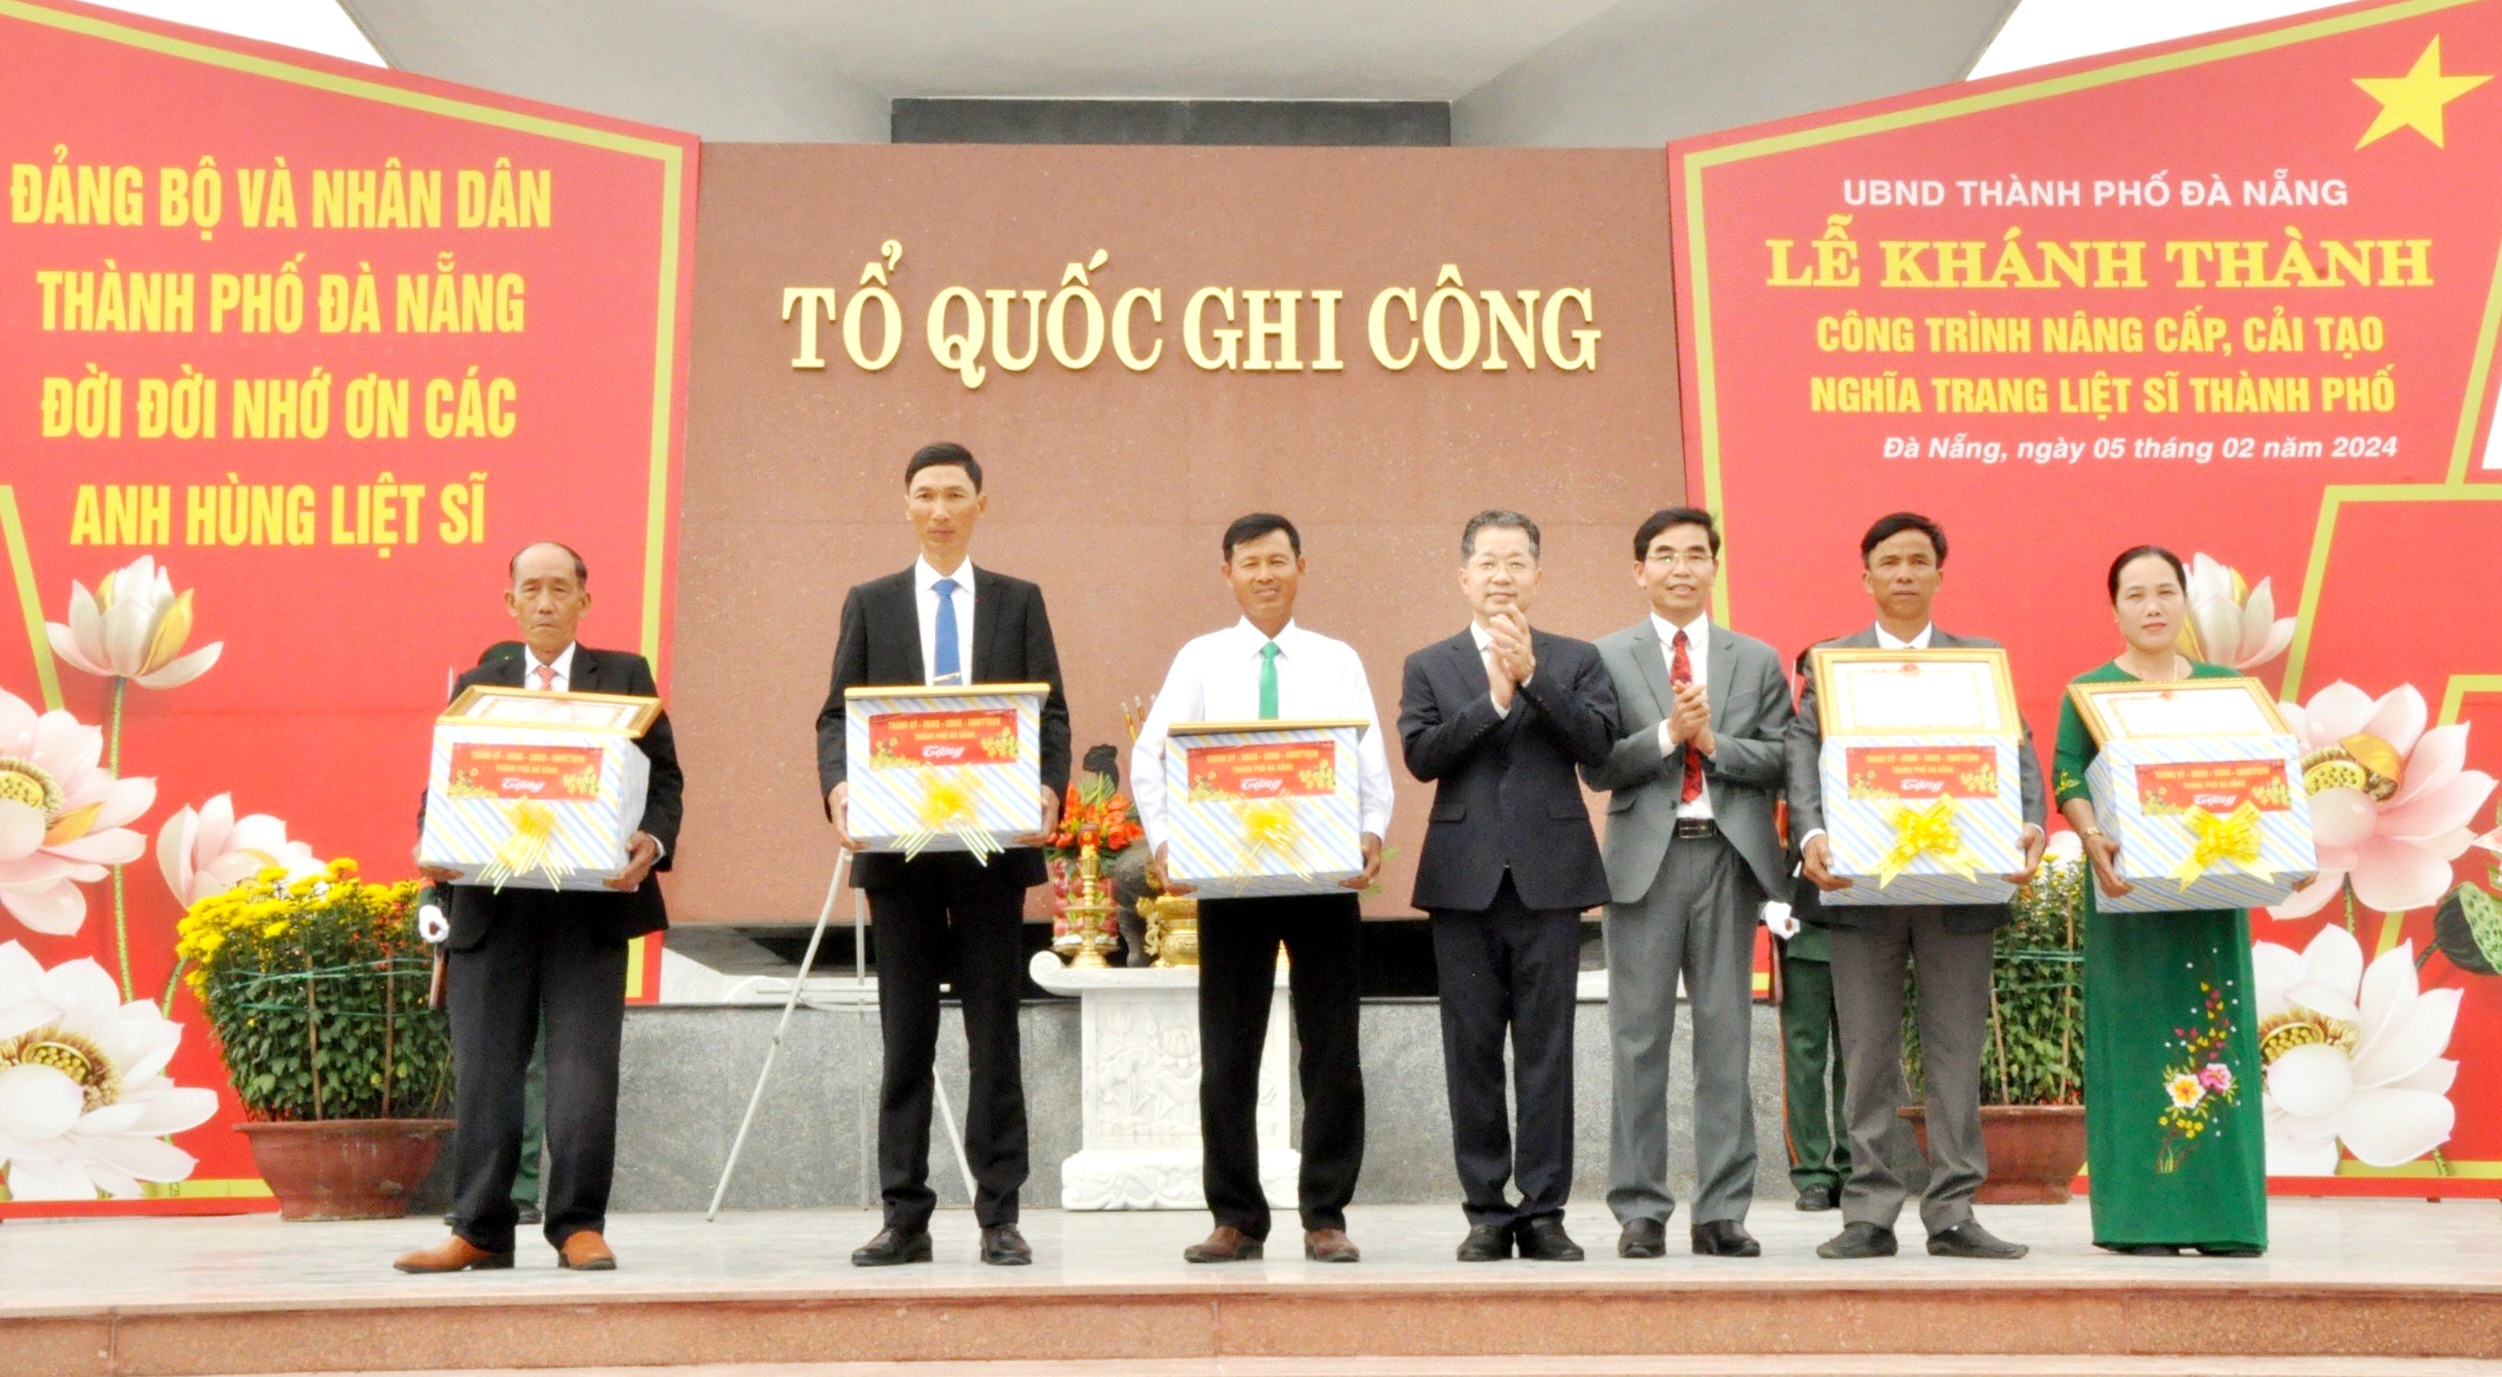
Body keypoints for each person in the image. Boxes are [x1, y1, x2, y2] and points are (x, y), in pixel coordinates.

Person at [816, 442, 1071, 1268]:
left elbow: (1052, 714)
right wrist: (840, 788)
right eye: (924, 494)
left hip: (993, 857)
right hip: (900, 858)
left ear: (979, 504)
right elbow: (835, 719)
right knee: (906, 1041)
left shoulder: (1019, 601)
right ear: (906, 505)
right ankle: (905, 1217)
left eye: (954, 494)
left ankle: (1000, 1213)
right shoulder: (872, 602)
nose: (939, 508)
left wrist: (1048, 788)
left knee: (995, 1035)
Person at [397, 541, 683, 1274]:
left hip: (590, 909)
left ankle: (578, 1224)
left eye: (562, 588)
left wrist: (651, 839)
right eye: (533, 589)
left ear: (586, 599)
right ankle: (480, 1230)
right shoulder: (479, 684)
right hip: (492, 909)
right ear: (511, 603)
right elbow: (445, 787)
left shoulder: (623, 677)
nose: (547, 601)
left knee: (585, 1072)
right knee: (488, 1071)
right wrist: (433, 842)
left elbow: (667, 782)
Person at [1132, 513, 1391, 1265]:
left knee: (1333, 1051)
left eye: (1278, 560)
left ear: (1302, 567)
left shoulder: (1336, 658)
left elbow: (1368, 756)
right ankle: (1237, 1217)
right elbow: (1152, 757)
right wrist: (1166, 841)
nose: (1266, 574)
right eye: (1251, 563)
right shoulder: (1201, 659)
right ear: (1228, 573)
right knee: (1229, 1053)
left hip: (1322, 876)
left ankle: (1326, 1213)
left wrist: (1371, 829)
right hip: (1230, 880)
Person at [1790, 511, 2046, 1262]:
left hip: (1961, 890)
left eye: (1917, 561)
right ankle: (1868, 1210)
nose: (1903, 573)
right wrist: (1810, 836)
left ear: (1940, 573)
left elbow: (2017, 754)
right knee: (1867, 1051)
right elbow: (1802, 755)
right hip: (1860, 885)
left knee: (1954, 1050)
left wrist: (2029, 822)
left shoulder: (1981, 661)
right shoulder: (1831, 663)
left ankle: (1954, 1209)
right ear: (1864, 575)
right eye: (1889, 561)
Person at [1399, 510, 1617, 1263]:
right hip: (1462, 884)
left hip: (1551, 880)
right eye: (1487, 563)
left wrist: (1532, 679)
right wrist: (1493, 700)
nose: (1501, 576)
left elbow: (1597, 747)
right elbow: (1423, 755)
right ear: (1463, 577)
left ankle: (1546, 1208)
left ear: (1537, 575)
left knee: (1548, 1051)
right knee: (1471, 1051)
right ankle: (1487, 1209)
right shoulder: (1429, 663)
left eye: (1516, 562)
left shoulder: (1577, 659)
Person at [1581, 507, 1792, 1259]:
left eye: (1695, 554)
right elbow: (1596, 764)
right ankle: (1640, 1208)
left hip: (1728, 858)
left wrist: (1713, 742)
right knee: (1637, 1038)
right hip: (1645, 861)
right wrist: (1669, 734)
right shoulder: (1603, 657)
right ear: (1639, 568)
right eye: (1663, 554)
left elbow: (1779, 760)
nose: (1680, 566)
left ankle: (1722, 1208)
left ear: (1714, 567)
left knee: (1725, 1038)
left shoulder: (1755, 659)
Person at [2053, 545, 2268, 1257]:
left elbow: (2258, 775)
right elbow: (2065, 775)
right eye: (2136, 594)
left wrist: (2278, 854)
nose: (2152, 607)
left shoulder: (2224, 685)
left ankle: (2224, 1216)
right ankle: (2140, 1219)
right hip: (2129, 895)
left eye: (2165, 592)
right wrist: (2093, 839)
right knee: (2134, 1041)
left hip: (2210, 894)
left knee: (2215, 1041)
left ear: (2184, 602)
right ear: (2114, 608)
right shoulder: (2089, 690)